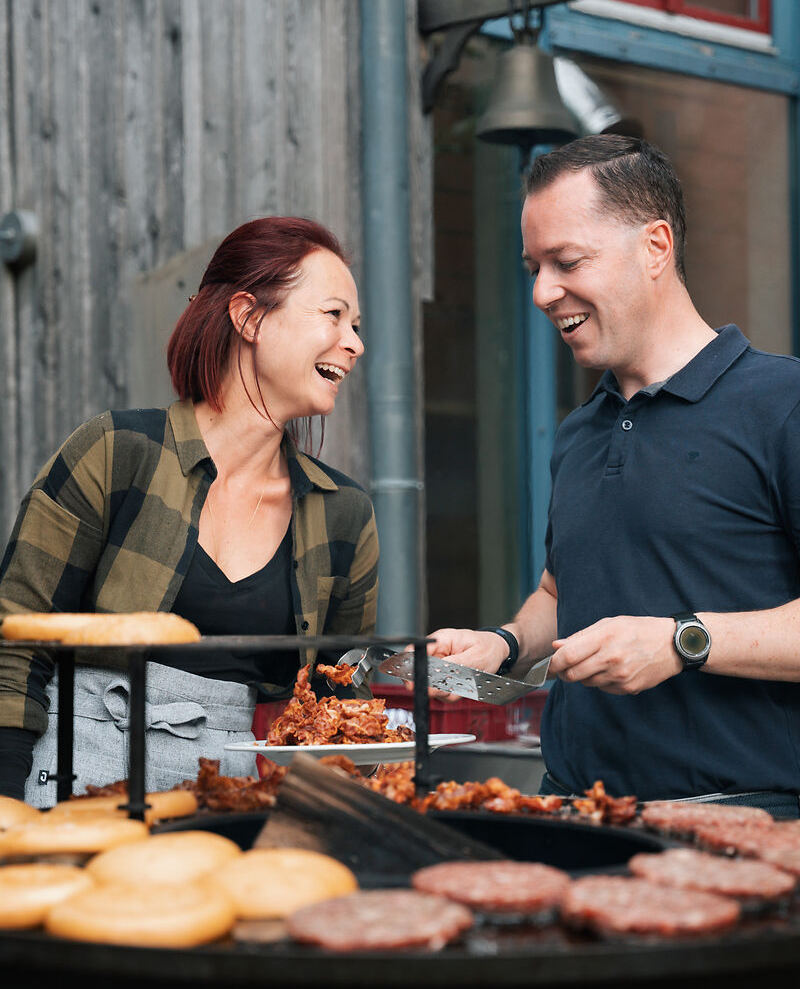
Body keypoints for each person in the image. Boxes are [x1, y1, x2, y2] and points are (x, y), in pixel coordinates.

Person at [426, 134, 800, 817]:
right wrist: (505, 644)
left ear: (656, 247)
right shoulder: (580, 431)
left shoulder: (783, 404)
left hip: (742, 822)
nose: (543, 292)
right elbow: (559, 587)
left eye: (566, 261)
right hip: (575, 815)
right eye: (533, 266)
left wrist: (682, 640)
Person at [0, 216, 378, 805]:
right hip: (71, 776)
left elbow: (342, 703)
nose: (354, 342)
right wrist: (5, 806)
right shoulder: (116, 452)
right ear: (250, 316)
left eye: (355, 325)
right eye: (333, 315)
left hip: (227, 790)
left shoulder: (343, 513)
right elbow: (15, 639)